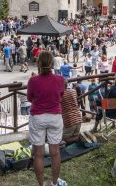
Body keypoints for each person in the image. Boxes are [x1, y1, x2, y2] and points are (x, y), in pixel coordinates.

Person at [27, 51, 67, 186]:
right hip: (55, 116)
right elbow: (61, 96)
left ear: (38, 63)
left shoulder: (33, 80)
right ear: (52, 64)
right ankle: (54, 183)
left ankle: (41, 185)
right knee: (55, 153)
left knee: (38, 154)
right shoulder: (60, 79)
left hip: (37, 117)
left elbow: (29, 98)